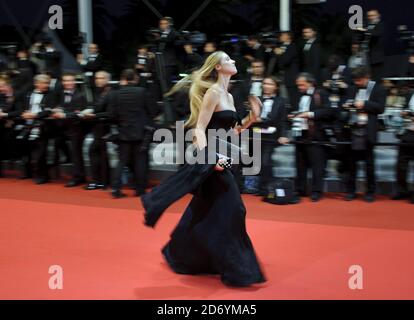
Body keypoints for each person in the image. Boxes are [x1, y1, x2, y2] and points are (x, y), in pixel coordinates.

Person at [141, 51, 266, 287]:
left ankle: (180, 255)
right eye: (229, 59)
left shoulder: (227, 96)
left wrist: (252, 118)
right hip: (211, 162)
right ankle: (239, 270)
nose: (234, 61)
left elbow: (230, 132)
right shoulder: (213, 93)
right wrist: (211, 159)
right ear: (218, 67)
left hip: (221, 160)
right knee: (235, 210)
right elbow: (199, 129)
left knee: (204, 211)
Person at [343, 67, 386, 202]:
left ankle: (370, 192)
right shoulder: (352, 88)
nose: (357, 82)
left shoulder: (378, 88)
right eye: (355, 80)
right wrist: (348, 105)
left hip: (368, 130)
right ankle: (351, 191)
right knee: (352, 164)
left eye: (359, 80)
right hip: (353, 129)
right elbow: (346, 102)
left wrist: (364, 104)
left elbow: (380, 108)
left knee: (369, 163)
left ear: (367, 77)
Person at [109, 69, 154, 199]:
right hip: (140, 132)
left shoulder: (115, 94)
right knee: (140, 161)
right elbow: (152, 110)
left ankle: (116, 189)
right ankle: (140, 190)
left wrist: (121, 123)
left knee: (121, 161)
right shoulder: (142, 92)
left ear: (123, 78)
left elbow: (112, 115)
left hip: (123, 132)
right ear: (135, 79)